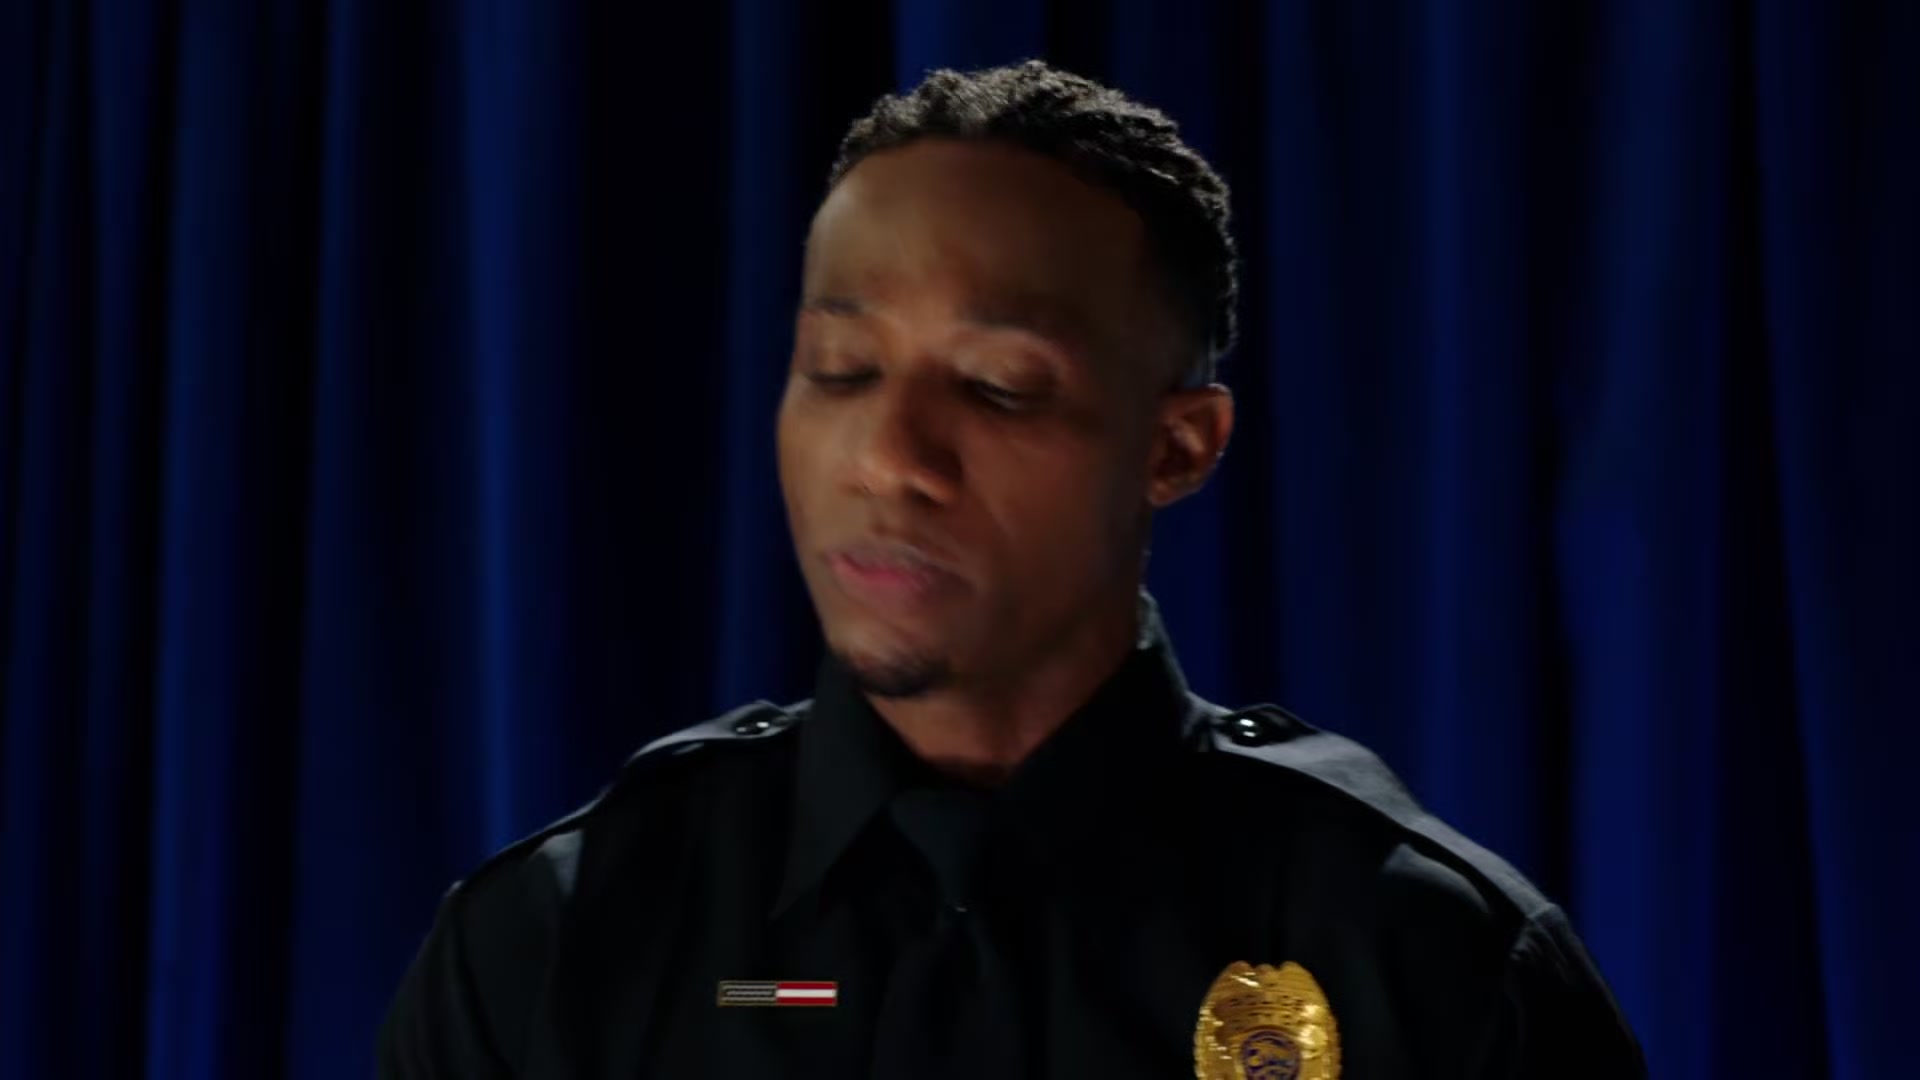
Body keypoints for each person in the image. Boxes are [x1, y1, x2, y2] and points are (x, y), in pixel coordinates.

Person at [379, 60, 1644, 1079]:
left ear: (1176, 448)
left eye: (996, 386)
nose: (890, 459)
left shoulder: (1420, 957)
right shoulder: (560, 943)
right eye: (840, 371)